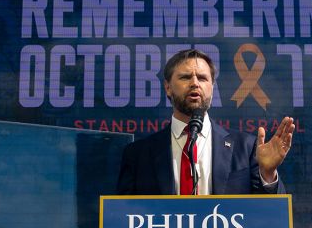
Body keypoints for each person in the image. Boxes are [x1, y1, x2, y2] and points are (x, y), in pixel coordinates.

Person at [116, 48, 295, 195]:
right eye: (185, 77)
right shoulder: (138, 155)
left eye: (202, 78)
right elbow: (124, 219)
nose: (195, 83)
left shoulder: (246, 148)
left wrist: (268, 175)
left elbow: (269, 216)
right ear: (168, 87)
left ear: (212, 87)